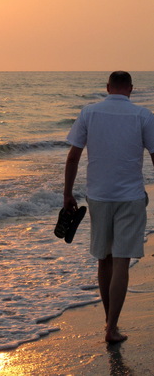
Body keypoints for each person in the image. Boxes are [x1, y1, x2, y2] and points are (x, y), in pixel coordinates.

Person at [63, 71, 154, 343]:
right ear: (130, 89)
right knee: (121, 260)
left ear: (107, 88)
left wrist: (67, 193)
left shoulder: (89, 113)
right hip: (130, 197)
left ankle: (108, 321)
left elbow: (73, 156)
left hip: (98, 196)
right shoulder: (142, 115)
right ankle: (111, 327)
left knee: (104, 259)